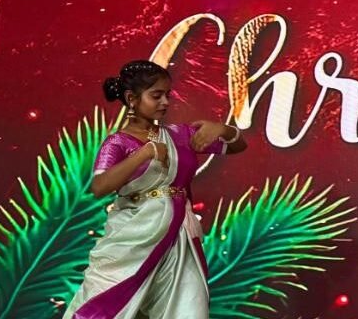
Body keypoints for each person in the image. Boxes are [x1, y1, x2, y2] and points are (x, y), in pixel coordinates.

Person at [64, 60, 246, 319]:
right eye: (156, 96)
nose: (165, 102)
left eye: (167, 95)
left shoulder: (180, 135)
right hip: (132, 239)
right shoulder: (117, 143)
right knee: (106, 307)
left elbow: (238, 146)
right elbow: (100, 186)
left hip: (179, 239)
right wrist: (144, 154)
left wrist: (224, 129)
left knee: (190, 310)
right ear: (132, 98)